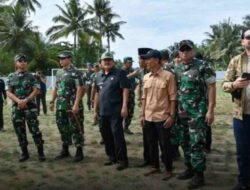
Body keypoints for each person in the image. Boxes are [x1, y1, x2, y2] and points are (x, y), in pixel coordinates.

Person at [175, 40, 216, 189]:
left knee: (196, 143)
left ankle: (199, 175)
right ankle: (189, 168)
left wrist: (210, 110)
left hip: (197, 113)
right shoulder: (177, 68)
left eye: (188, 50)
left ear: (193, 51)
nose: (185, 52)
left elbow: (211, 87)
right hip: (182, 112)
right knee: (184, 141)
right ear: (179, 52)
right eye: (182, 50)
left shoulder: (203, 66)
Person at [140, 49, 176, 180]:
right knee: (151, 143)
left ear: (156, 60)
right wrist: (142, 115)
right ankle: (155, 166)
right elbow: (144, 97)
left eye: (148, 59)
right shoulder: (146, 77)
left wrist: (172, 116)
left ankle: (168, 169)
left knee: (165, 144)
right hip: (148, 116)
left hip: (162, 117)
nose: (146, 62)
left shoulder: (168, 76)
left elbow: (173, 97)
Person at [222, 28, 250, 190]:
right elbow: (224, 84)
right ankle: (244, 182)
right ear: (243, 41)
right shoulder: (236, 61)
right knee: (243, 152)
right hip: (242, 115)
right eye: (248, 37)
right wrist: (234, 84)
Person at [6, 53, 46, 162]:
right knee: (19, 130)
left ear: (26, 63)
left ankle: (40, 153)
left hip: (30, 107)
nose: (22, 63)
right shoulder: (11, 76)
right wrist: (18, 100)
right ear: (16, 63)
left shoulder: (32, 76)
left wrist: (26, 100)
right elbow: (9, 92)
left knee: (35, 129)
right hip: (17, 107)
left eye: (24, 61)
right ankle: (24, 153)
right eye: (20, 61)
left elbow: (36, 90)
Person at [94, 52, 129, 171]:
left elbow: (125, 90)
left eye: (109, 60)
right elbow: (97, 94)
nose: (107, 62)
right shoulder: (98, 76)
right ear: (101, 62)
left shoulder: (120, 73)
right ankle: (111, 156)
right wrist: (95, 110)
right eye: (105, 60)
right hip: (103, 111)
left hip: (116, 110)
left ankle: (122, 160)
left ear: (113, 61)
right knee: (106, 134)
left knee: (117, 134)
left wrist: (124, 106)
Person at [49, 50, 85, 162]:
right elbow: (56, 88)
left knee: (76, 127)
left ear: (69, 59)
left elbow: (80, 89)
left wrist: (76, 104)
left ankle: (79, 151)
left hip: (72, 105)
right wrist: (52, 101)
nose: (60, 60)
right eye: (60, 59)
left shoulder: (76, 72)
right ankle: (65, 150)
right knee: (62, 127)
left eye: (63, 58)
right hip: (61, 105)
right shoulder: (59, 73)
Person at [122, 56, 136, 135]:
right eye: (129, 62)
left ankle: (126, 127)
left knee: (130, 112)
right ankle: (120, 128)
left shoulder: (132, 70)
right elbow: (122, 79)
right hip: (123, 96)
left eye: (131, 62)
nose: (131, 64)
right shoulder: (121, 71)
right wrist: (132, 75)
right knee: (122, 113)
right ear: (125, 63)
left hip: (131, 94)